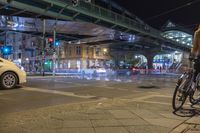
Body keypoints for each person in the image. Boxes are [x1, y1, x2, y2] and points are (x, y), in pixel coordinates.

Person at [191, 24, 200, 89]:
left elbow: (195, 46)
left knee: (196, 70)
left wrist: (192, 54)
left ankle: (193, 84)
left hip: (198, 54)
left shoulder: (197, 32)